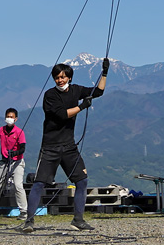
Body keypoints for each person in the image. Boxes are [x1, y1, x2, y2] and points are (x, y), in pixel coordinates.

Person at [21, 59, 108, 233]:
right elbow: (62, 115)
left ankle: (78, 220)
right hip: (50, 146)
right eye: (57, 77)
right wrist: (82, 106)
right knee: (39, 183)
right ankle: (29, 221)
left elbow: (98, 91)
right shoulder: (50, 95)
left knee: (82, 181)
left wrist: (104, 73)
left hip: (69, 146)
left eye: (63, 77)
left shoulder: (76, 90)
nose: (60, 80)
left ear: (69, 77)